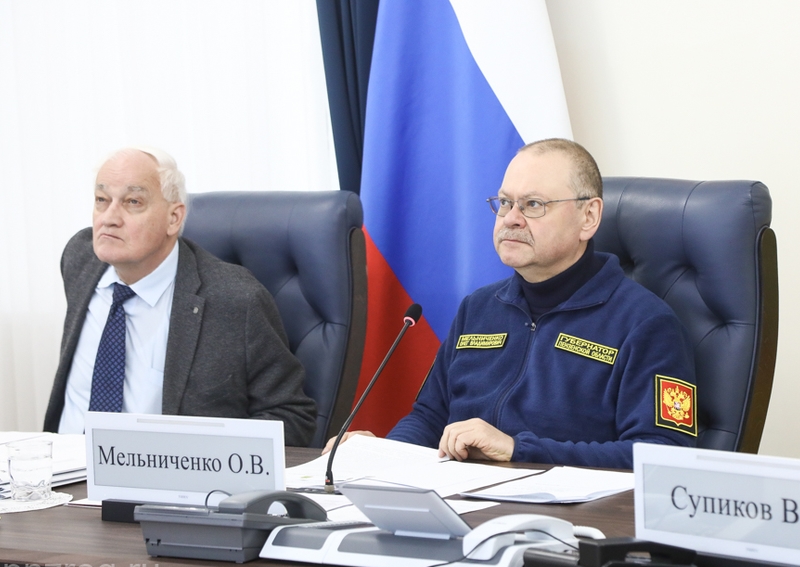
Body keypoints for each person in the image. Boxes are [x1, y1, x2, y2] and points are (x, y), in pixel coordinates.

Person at [324, 138, 697, 468]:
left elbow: (664, 454)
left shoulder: (645, 324)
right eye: (505, 203)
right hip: (464, 504)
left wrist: (520, 450)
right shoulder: (478, 308)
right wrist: (384, 455)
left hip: (570, 516)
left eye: (533, 204)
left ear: (588, 217)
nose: (512, 219)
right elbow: (429, 418)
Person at [43, 147, 317, 446]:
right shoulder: (80, 257)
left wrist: (196, 457)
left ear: (173, 218)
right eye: (101, 200)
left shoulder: (235, 298)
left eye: (132, 202)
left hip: (163, 469)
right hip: (65, 466)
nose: (109, 218)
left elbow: (291, 417)